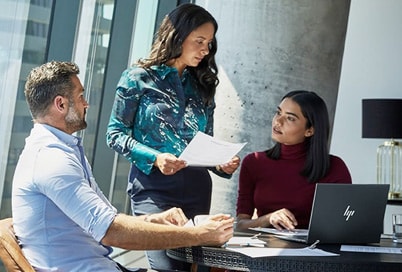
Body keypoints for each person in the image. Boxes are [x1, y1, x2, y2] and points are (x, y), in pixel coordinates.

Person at [11, 61, 234, 272]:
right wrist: (200, 234)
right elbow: (111, 231)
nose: (86, 103)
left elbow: (106, 221)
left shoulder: (59, 151)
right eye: (80, 97)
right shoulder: (51, 161)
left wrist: (152, 220)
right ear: (60, 104)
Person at [106, 3, 239, 270]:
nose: (205, 50)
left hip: (197, 189)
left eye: (209, 43)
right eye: (199, 41)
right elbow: (114, 134)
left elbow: (206, 142)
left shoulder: (204, 84)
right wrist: (156, 158)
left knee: (199, 267)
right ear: (177, 36)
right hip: (152, 188)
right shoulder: (137, 78)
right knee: (167, 267)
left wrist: (222, 164)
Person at [236, 90, 352, 231]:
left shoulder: (334, 167)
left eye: (290, 118)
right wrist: (268, 218)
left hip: (316, 249)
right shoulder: (254, 162)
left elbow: (345, 224)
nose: (278, 121)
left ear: (309, 130)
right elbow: (241, 226)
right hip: (266, 248)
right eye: (278, 113)